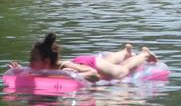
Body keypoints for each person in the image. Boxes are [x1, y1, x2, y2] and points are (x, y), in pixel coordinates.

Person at [20, 35, 157, 82]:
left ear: (46, 62)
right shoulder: (44, 69)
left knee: (122, 71)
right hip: (83, 61)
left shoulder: (64, 67)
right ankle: (125, 52)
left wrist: (74, 76)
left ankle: (144, 54)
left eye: (33, 59)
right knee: (109, 62)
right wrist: (18, 71)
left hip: (89, 65)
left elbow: (94, 75)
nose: (29, 63)